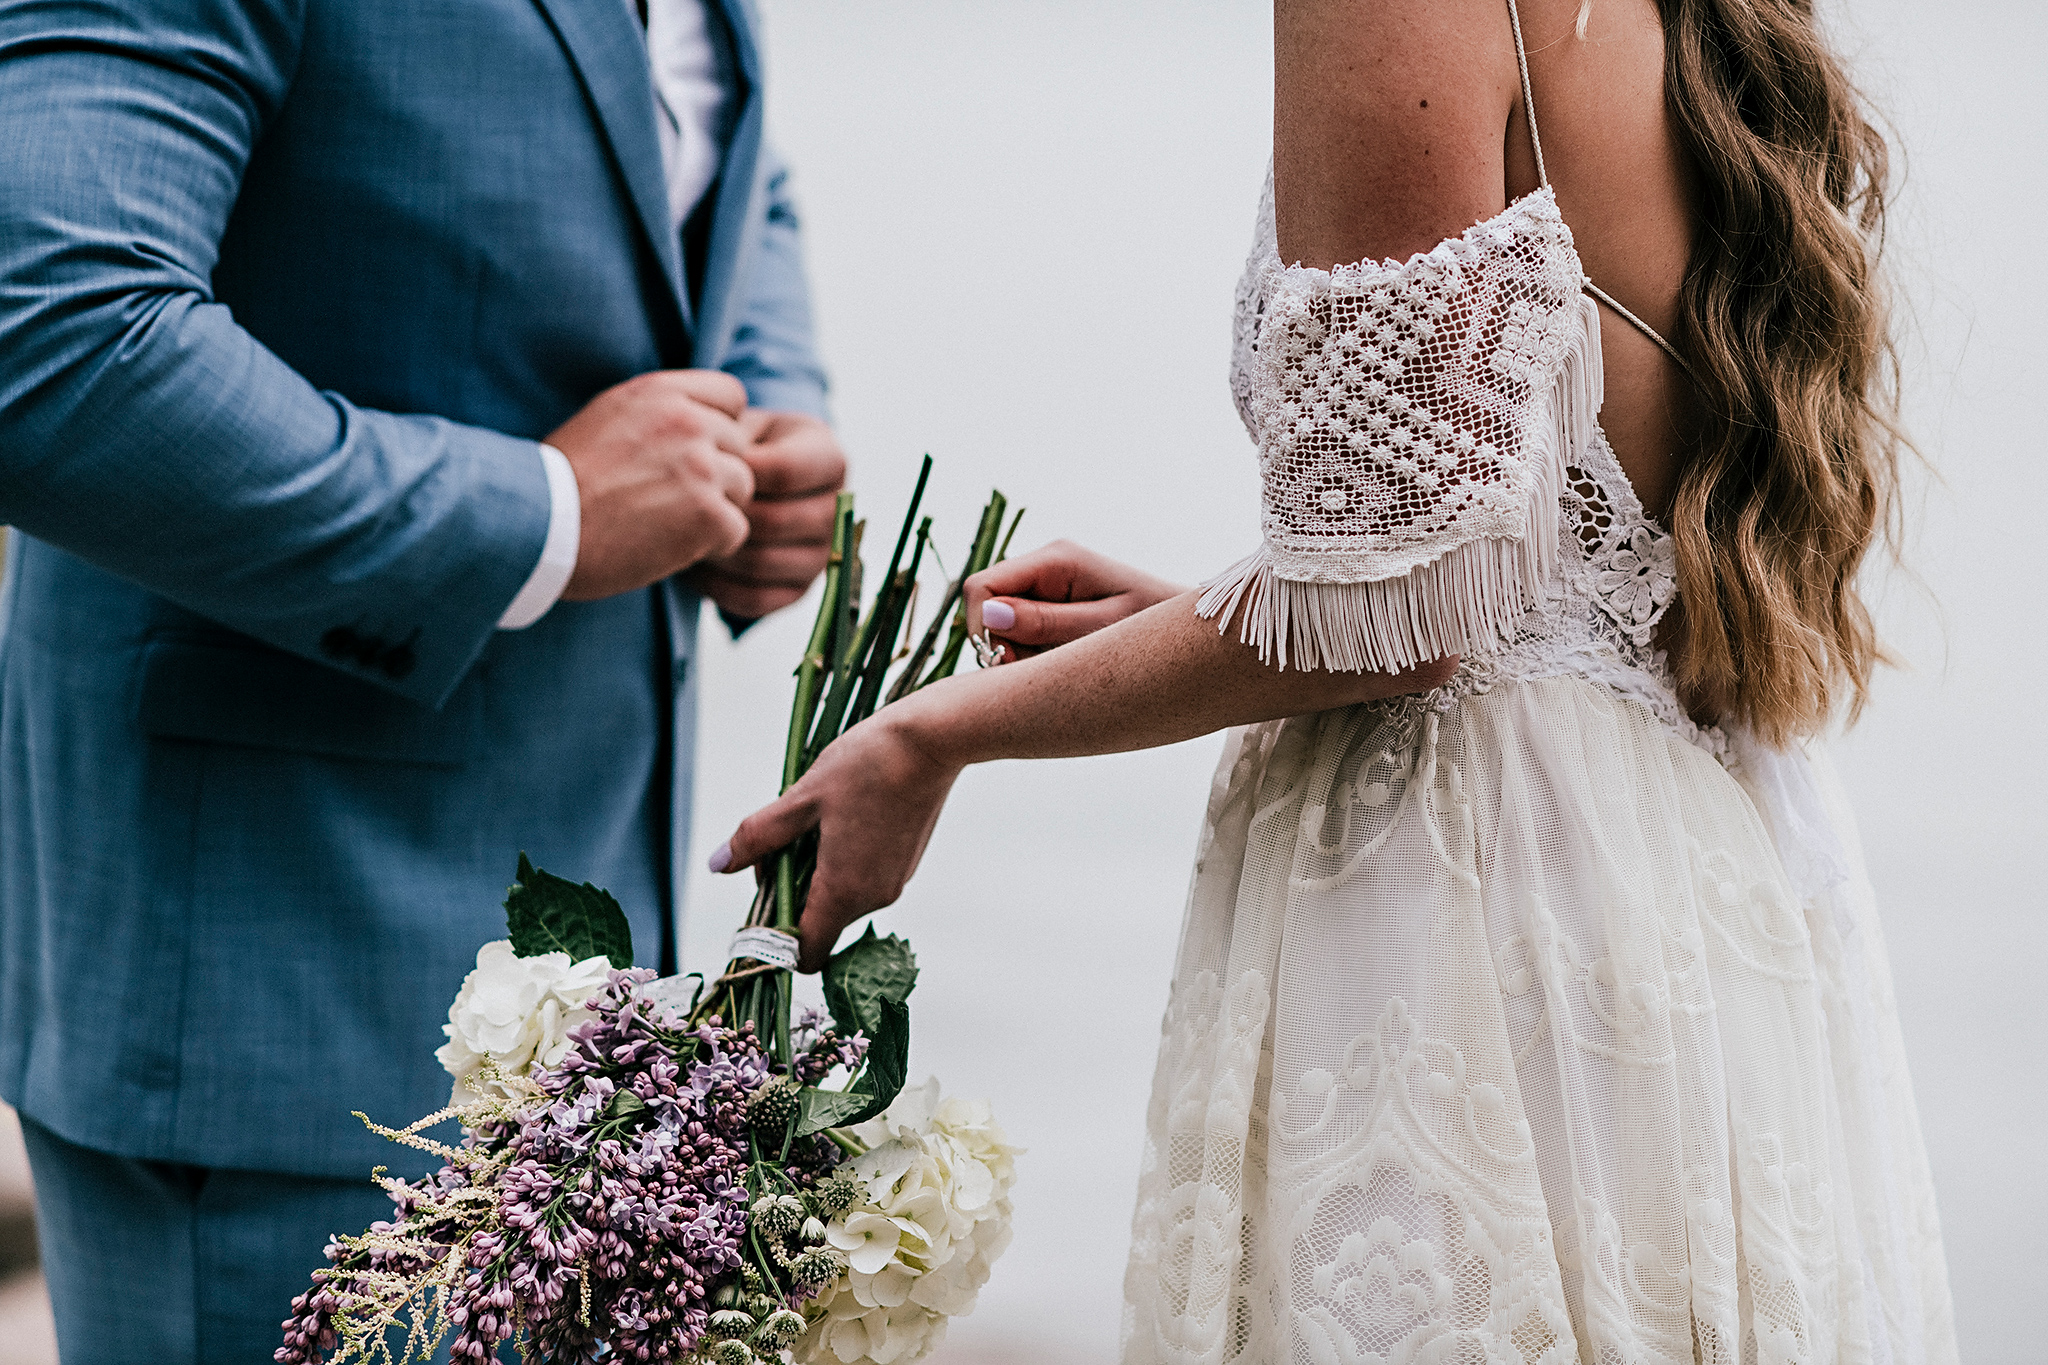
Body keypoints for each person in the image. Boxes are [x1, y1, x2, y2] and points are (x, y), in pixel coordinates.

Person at [714, 0, 1960, 1359]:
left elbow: (1398, 608)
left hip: (1479, 940)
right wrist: (1194, 620)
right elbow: (1504, 569)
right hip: (1667, 911)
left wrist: (932, 735)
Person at [0, 0, 842, 1357]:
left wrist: (759, 413)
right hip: (276, 991)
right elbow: (48, 334)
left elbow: (691, 127)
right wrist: (545, 513)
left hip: (589, 1005)